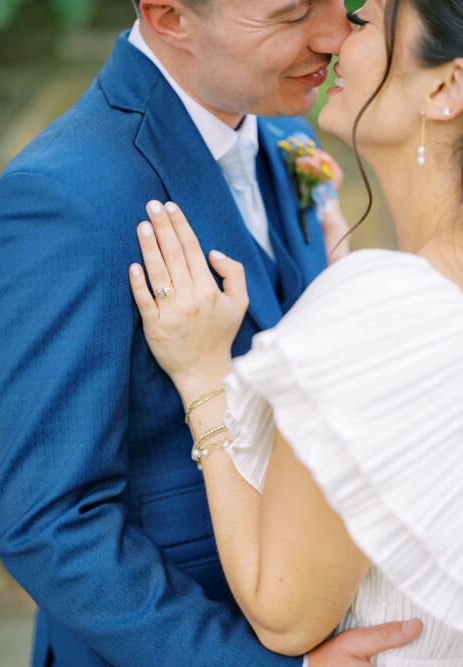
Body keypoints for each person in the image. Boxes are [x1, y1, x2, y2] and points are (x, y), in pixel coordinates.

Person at [0, 0, 419, 664]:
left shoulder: (288, 138)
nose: (333, 35)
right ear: (170, 16)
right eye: (291, 14)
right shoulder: (60, 200)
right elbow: (51, 523)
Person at [128, 0, 463, 664]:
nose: (337, 35)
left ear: (445, 87)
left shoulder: (378, 310)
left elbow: (282, 615)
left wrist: (202, 374)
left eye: (364, 23)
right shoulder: (403, 303)